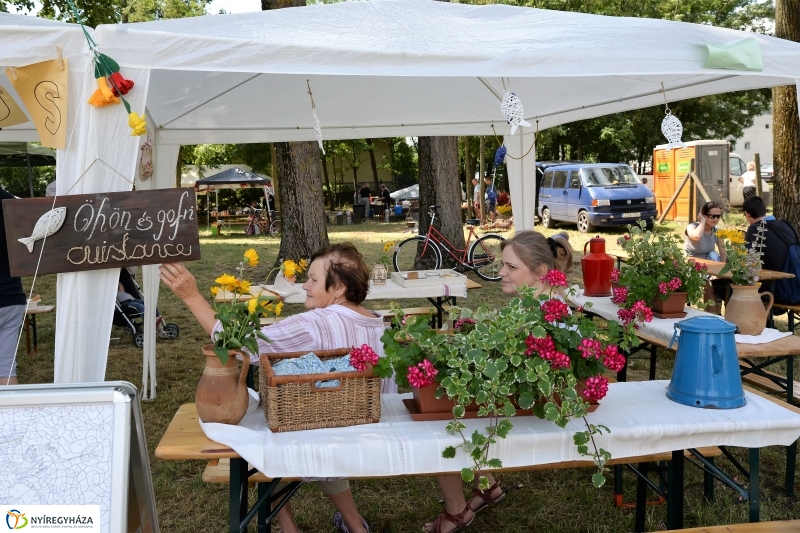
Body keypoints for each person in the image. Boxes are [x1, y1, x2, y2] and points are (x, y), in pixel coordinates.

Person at [160, 243, 387, 533]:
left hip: (319, 434)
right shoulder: (376, 322)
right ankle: (355, 524)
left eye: (314, 280)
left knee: (260, 436)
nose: (305, 285)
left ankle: (288, 526)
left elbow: (236, 344)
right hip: (363, 432)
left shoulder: (316, 323)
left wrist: (190, 295)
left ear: (339, 288)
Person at [423, 230, 573, 533]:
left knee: (437, 416)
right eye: (503, 265)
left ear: (540, 272)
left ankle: (457, 511)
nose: (501, 273)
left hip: (540, 411)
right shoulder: (536, 303)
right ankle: (487, 485)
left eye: (511, 267)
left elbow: (530, 376)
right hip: (524, 400)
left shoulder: (546, 315)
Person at [743, 195, 798, 301]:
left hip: (779, 289)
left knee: (721, 286)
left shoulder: (755, 228)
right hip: (795, 285)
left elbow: (750, 261)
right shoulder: (785, 224)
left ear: (747, 214)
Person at [0, 186, 26, 386]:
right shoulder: (15, 204)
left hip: (11, 296)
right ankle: (11, 417)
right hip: (12, 296)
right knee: (7, 371)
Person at [684, 201, 728, 314]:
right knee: (709, 282)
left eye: (718, 216)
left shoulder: (717, 230)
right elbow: (696, 237)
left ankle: (720, 313)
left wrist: (720, 272)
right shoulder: (692, 227)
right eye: (711, 216)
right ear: (703, 215)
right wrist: (702, 221)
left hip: (710, 263)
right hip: (693, 263)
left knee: (724, 281)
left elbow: (723, 253)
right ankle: (712, 314)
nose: (715, 219)